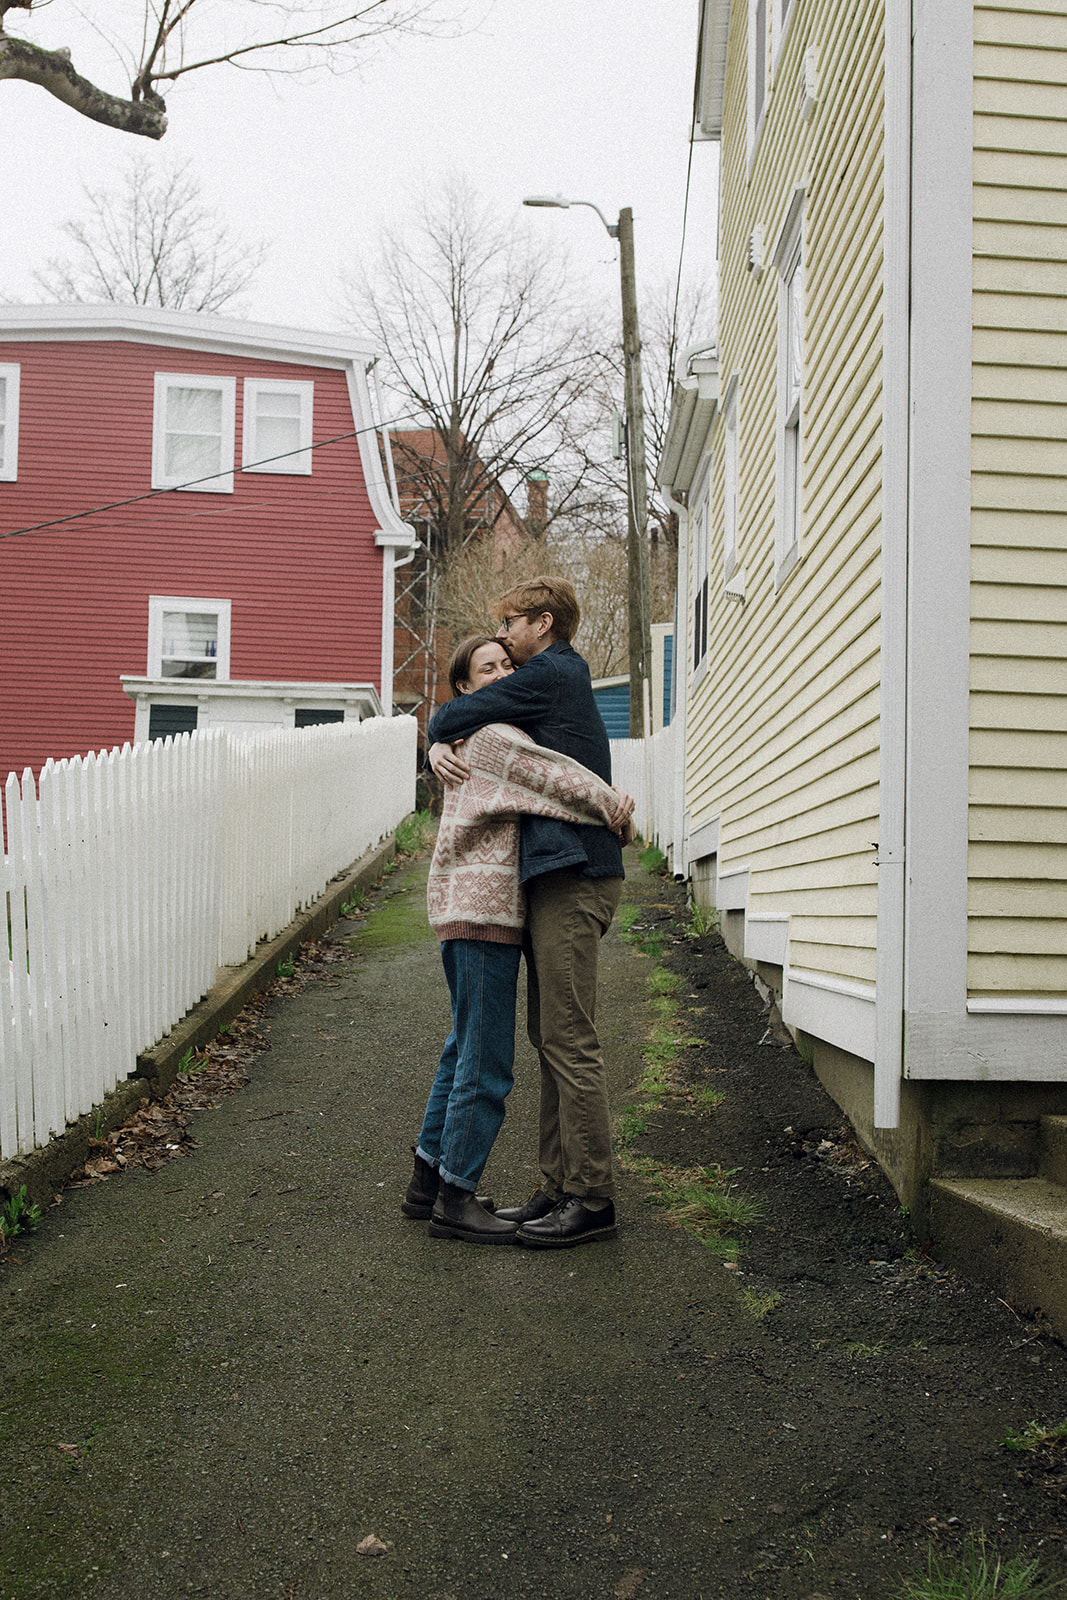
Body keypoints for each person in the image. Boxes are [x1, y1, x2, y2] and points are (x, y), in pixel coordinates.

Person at [405, 633, 634, 1245]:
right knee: (486, 1060)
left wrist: (433, 741)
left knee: (463, 1046)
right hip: (485, 912)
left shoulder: (464, 739)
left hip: (463, 909)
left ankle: (427, 1182)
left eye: (509, 664)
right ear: (465, 688)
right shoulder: (497, 739)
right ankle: (455, 1197)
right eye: (489, 669)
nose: (505, 674)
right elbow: (556, 781)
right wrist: (615, 808)